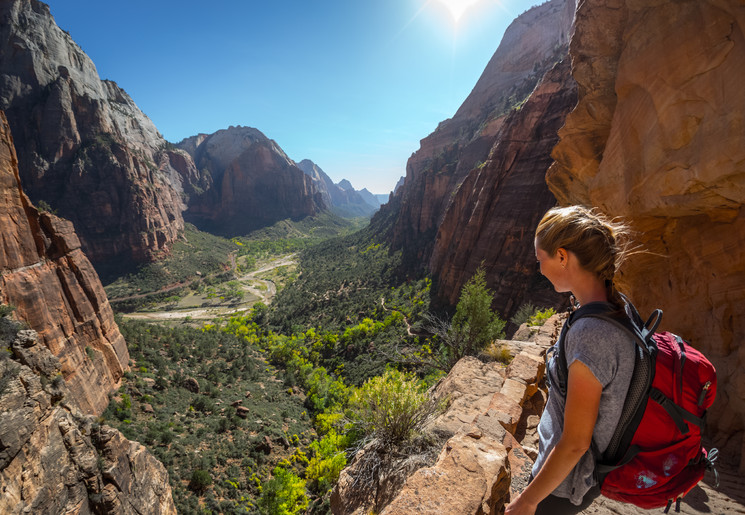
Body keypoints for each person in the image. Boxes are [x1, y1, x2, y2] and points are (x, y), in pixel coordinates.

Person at [505, 206, 637, 515]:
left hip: (563, 486)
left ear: (562, 256)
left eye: (541, 260)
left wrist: (527, 501)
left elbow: (576, 442)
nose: (539, 269)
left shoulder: (592, 334)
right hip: (576, 478)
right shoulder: (617, 306)